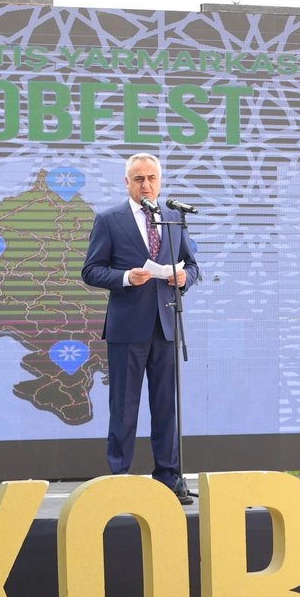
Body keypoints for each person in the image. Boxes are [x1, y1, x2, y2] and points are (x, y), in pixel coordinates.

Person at [82, 153, 200, 504]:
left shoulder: (173, 218)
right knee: (124, 408)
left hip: (166, 325)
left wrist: (184, 278)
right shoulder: (109, 220)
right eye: (138, 179)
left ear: (159, 182)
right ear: (127, 183)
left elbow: (193, 265)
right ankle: (120, 481)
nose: (146, 184)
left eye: (151, 178)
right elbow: (91, 270)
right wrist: (125, 277)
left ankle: (169, 478)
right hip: (127, 329)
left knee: (166, 407)